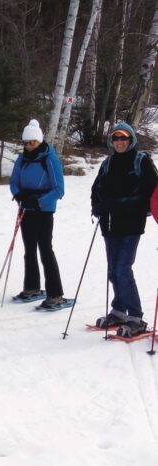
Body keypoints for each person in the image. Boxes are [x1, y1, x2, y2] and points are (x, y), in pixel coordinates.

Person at [91, 122, 157, 337]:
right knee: (113, 269)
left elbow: (150, 194)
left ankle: (136, 317)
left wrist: (120, 205)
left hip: (131, 224)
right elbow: (97, 188)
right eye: (116, 139)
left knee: (122, 269)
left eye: (124, 138)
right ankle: (119, 311)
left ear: (131, 140)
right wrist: (97, 205)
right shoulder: (108, 163)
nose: (119, 142)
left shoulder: (142, 161)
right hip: (109, 223)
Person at [9, 119, 67, 310]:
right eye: (26, 142)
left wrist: (39, 200)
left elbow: (59, 189)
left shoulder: (49, 158)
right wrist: (19, 196)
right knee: (29, 249)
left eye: (32, 142)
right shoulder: (22, 159)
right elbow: (14, 182)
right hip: (26, 208)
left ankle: (55, 293)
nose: (29, 146)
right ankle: (32, 287)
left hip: (44, 211)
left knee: (45, 250)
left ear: (39, 141)